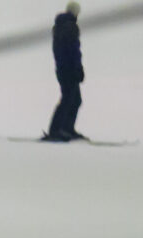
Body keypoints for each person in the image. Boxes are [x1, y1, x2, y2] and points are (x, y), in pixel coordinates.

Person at [45, 2, 85, 142]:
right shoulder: (70, 27)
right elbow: (73, 50)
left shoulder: (60, 26)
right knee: (69, 99)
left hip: (63, 68)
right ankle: (56, 130)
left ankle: (66, 129)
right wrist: (77, 68)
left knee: (74, 99)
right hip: (69, 69)